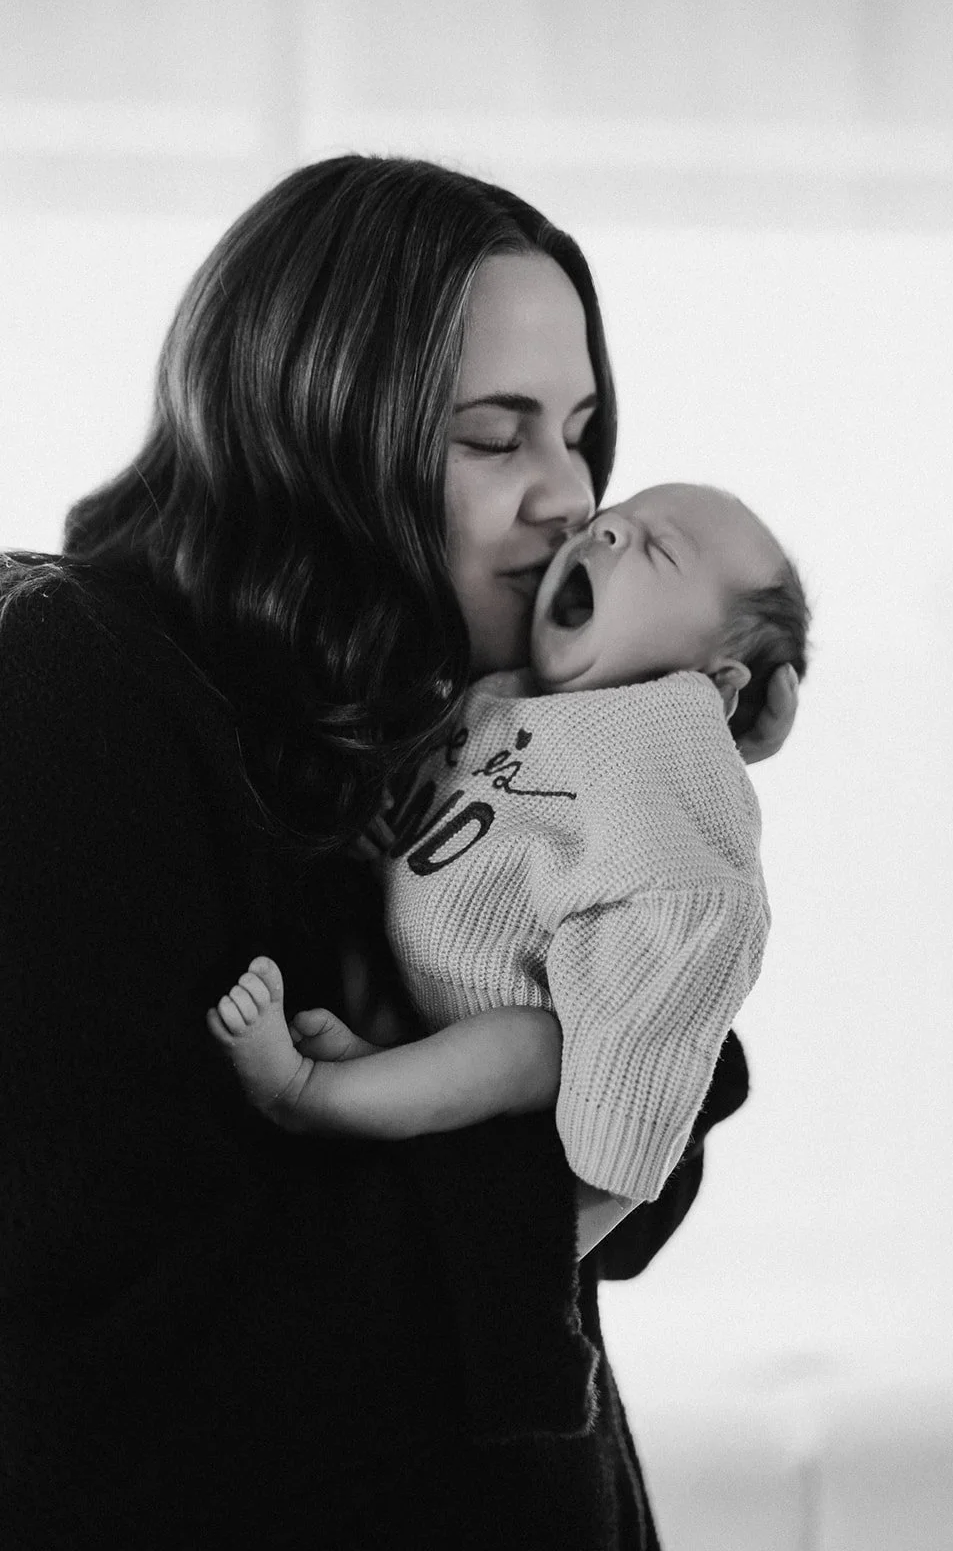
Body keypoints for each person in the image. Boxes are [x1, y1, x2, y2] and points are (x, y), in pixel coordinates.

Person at [0, 155, 799, 1551]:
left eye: (581, 431)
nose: (570, 496)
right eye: (494, 437)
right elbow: (119, 1331)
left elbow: (611, 1229)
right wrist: (577, 1097)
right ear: (311, 427)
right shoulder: (64, 685)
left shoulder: (402, 713)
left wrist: (646, 890)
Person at [209, 483, 810, 1250]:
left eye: (659, 549)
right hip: (409, 993)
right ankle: (378, 1073)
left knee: (526, 1044)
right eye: (610, 523)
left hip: (512, 1038)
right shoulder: (503, 689)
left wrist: (589, 1207)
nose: (607, 534)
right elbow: (450, 781)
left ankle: (308, 1091)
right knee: (354, 937)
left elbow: (686, 878)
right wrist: (380, 812)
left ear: (716, 685)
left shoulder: (664, 752)